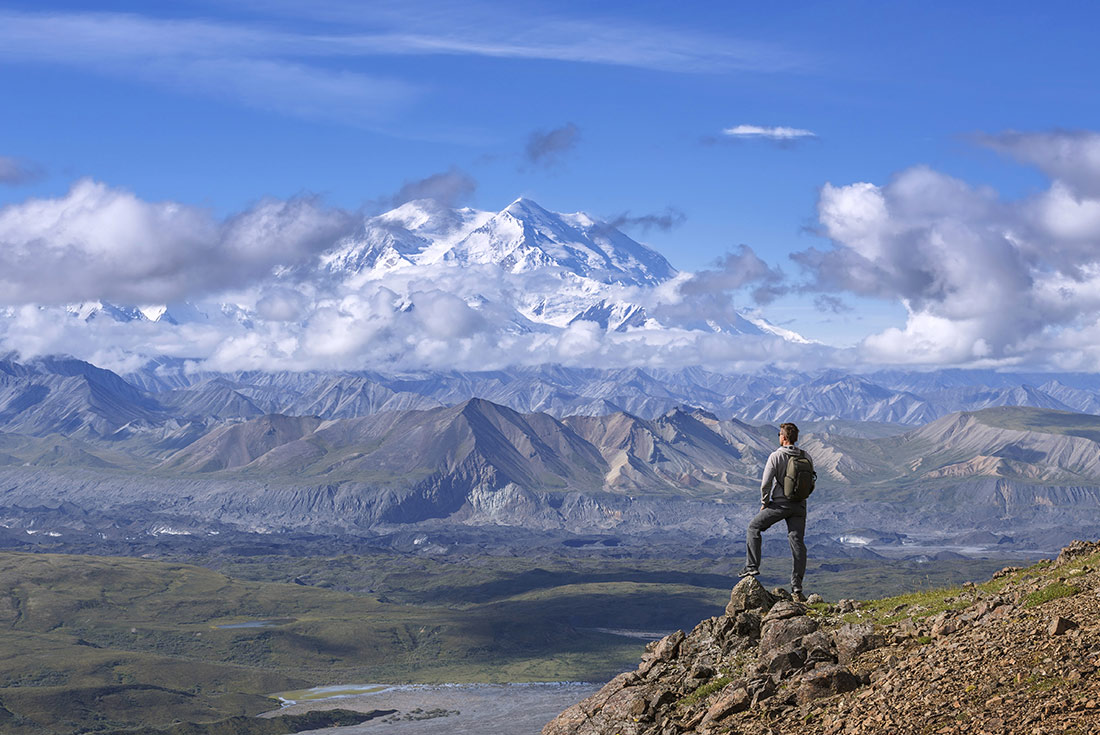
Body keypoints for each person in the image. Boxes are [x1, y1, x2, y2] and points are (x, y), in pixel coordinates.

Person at [739, 422, 811, 602]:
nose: (778, 437)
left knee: (753, 527)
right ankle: (797, 586)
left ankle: (752, 566)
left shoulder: (776, 456)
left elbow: (766, 483)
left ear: (784, 437)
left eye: (779, 434)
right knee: (797, 543)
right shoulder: (806, 455)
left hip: (780, 504)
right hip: (800, 505)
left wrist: (765, 502)